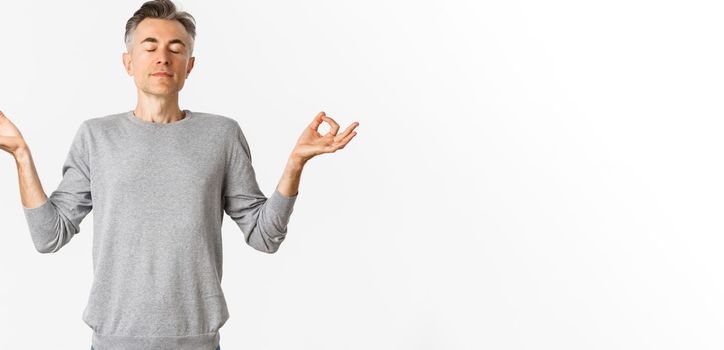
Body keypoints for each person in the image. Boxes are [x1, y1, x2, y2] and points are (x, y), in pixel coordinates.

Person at [0, 0, 359, 349]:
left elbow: (264, 237)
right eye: (150, 46)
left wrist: (295, 162)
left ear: (189, 66)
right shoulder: (96, 136)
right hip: (113, 341)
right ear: (128, 62)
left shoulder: (222, 135)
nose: (163, 57)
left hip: (198, 343)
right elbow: (49, 236)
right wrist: (21, 154)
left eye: (176, 48)